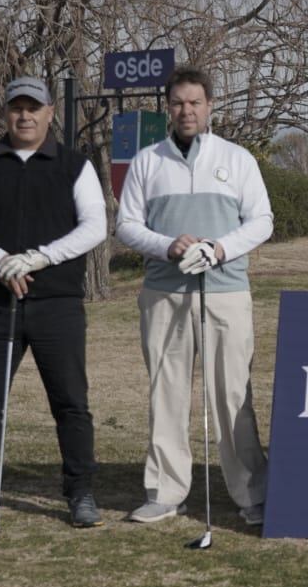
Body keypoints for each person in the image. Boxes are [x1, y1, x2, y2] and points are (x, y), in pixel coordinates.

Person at [0, 77, 107, 528]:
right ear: (5, 112)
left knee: (70, 401)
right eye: (17, 107)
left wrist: (38, 258)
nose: (25, 115)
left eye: (34, 107)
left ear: (51, 112)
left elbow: (94, 227)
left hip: (57, 303)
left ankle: (80, 493)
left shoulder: (75, 165)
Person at [117, 66, 273, 526]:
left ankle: (251, 494)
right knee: (166, 392)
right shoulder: (148, 161)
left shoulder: (238, 158)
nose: (187, 111)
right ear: (168, 108)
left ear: (209, 107)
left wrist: (219, 248)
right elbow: (127, 226)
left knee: (232, 396)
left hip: (225, 291)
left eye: (195, 103)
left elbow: (261, 221)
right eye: (178, 103)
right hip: (165, 293)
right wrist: (169, 245)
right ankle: (165, 491)